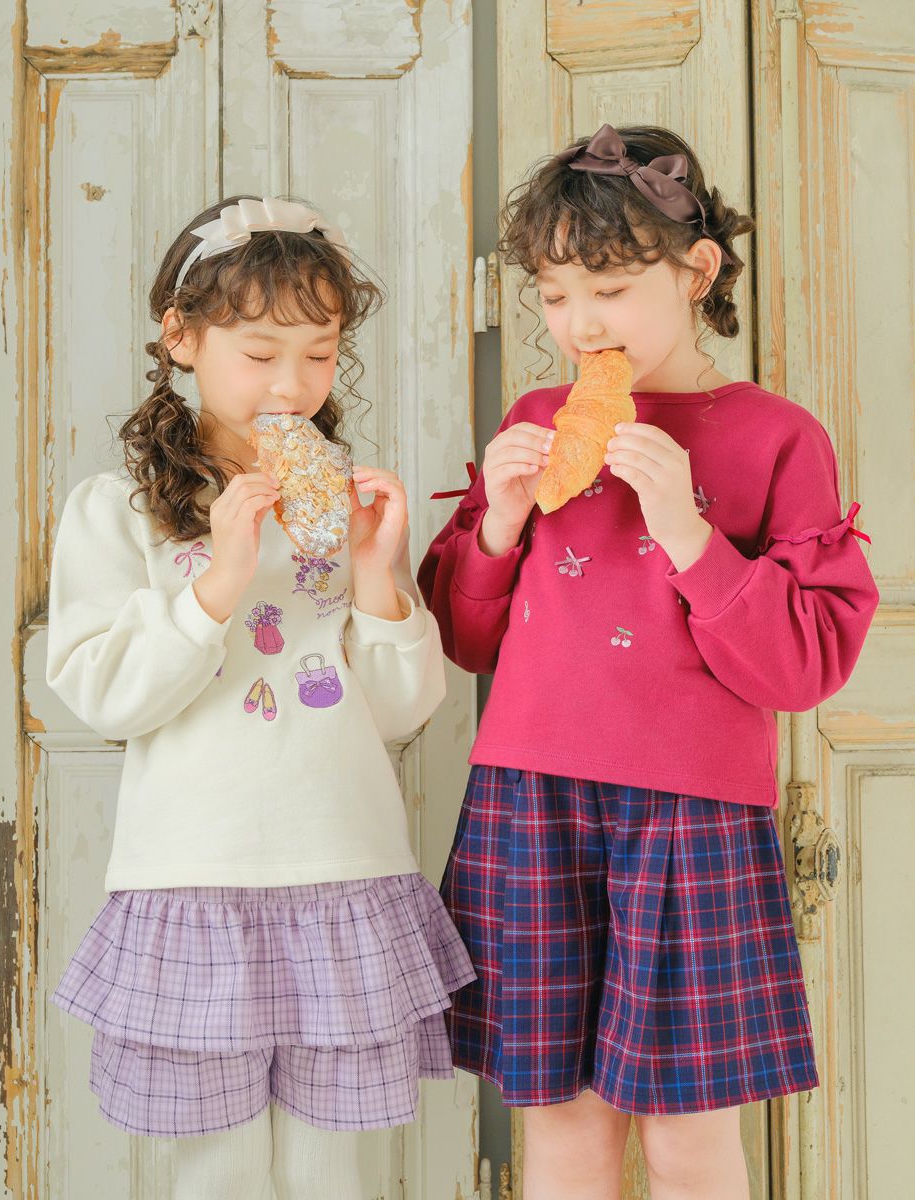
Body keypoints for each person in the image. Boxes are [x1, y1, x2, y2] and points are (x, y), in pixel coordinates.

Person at [418, 125, 879, 1200]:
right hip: (527, 801)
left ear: (697, 270)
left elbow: (801, 669)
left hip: (693, 817)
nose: (578, 325)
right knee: (564, 1136)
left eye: (611, 289)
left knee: (687, 1142)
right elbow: (467, 637)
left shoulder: (776, 437)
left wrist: (686, 530)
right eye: (552, 294)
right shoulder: (535, 420)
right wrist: (496, 525)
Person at [46, 194, 474, 1200]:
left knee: (338, 1175)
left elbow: (404, 707)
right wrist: (219, 581)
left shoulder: (348, 501)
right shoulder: (119, 508)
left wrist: (378, 573)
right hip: (193, 878)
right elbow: (107, 694)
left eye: (319, 355)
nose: (294, 384)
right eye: (261, 352)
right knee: (221, 1174)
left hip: (344, 870)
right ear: (181, 338)